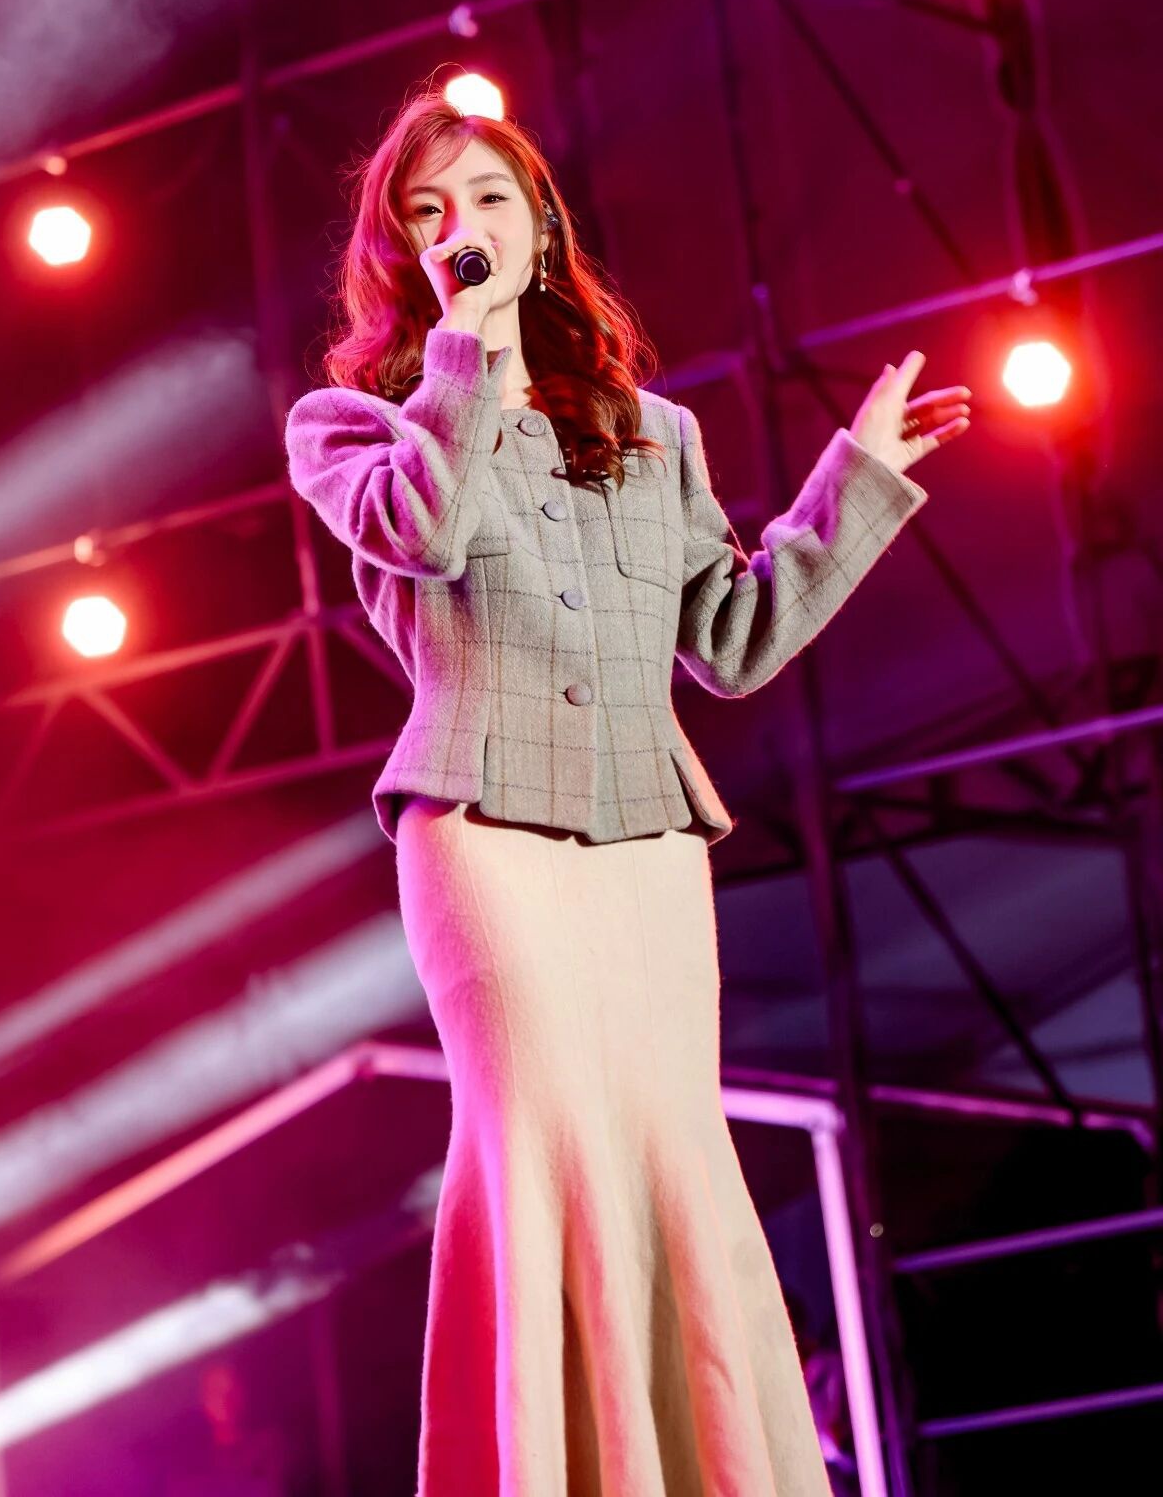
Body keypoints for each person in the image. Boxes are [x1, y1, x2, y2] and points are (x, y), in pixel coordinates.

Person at [284, 88, 971, 1495]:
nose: (462, 228)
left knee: (667, 1147)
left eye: (488, 199)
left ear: (540, 225)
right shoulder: (351, 425)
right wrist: (466, 353)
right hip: (487, 839)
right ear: (399, 257)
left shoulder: (654, 432)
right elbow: (428, 530)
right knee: (546, 1139)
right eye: (427, 213)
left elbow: (733, 639)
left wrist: (857, 484)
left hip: (648, 844)